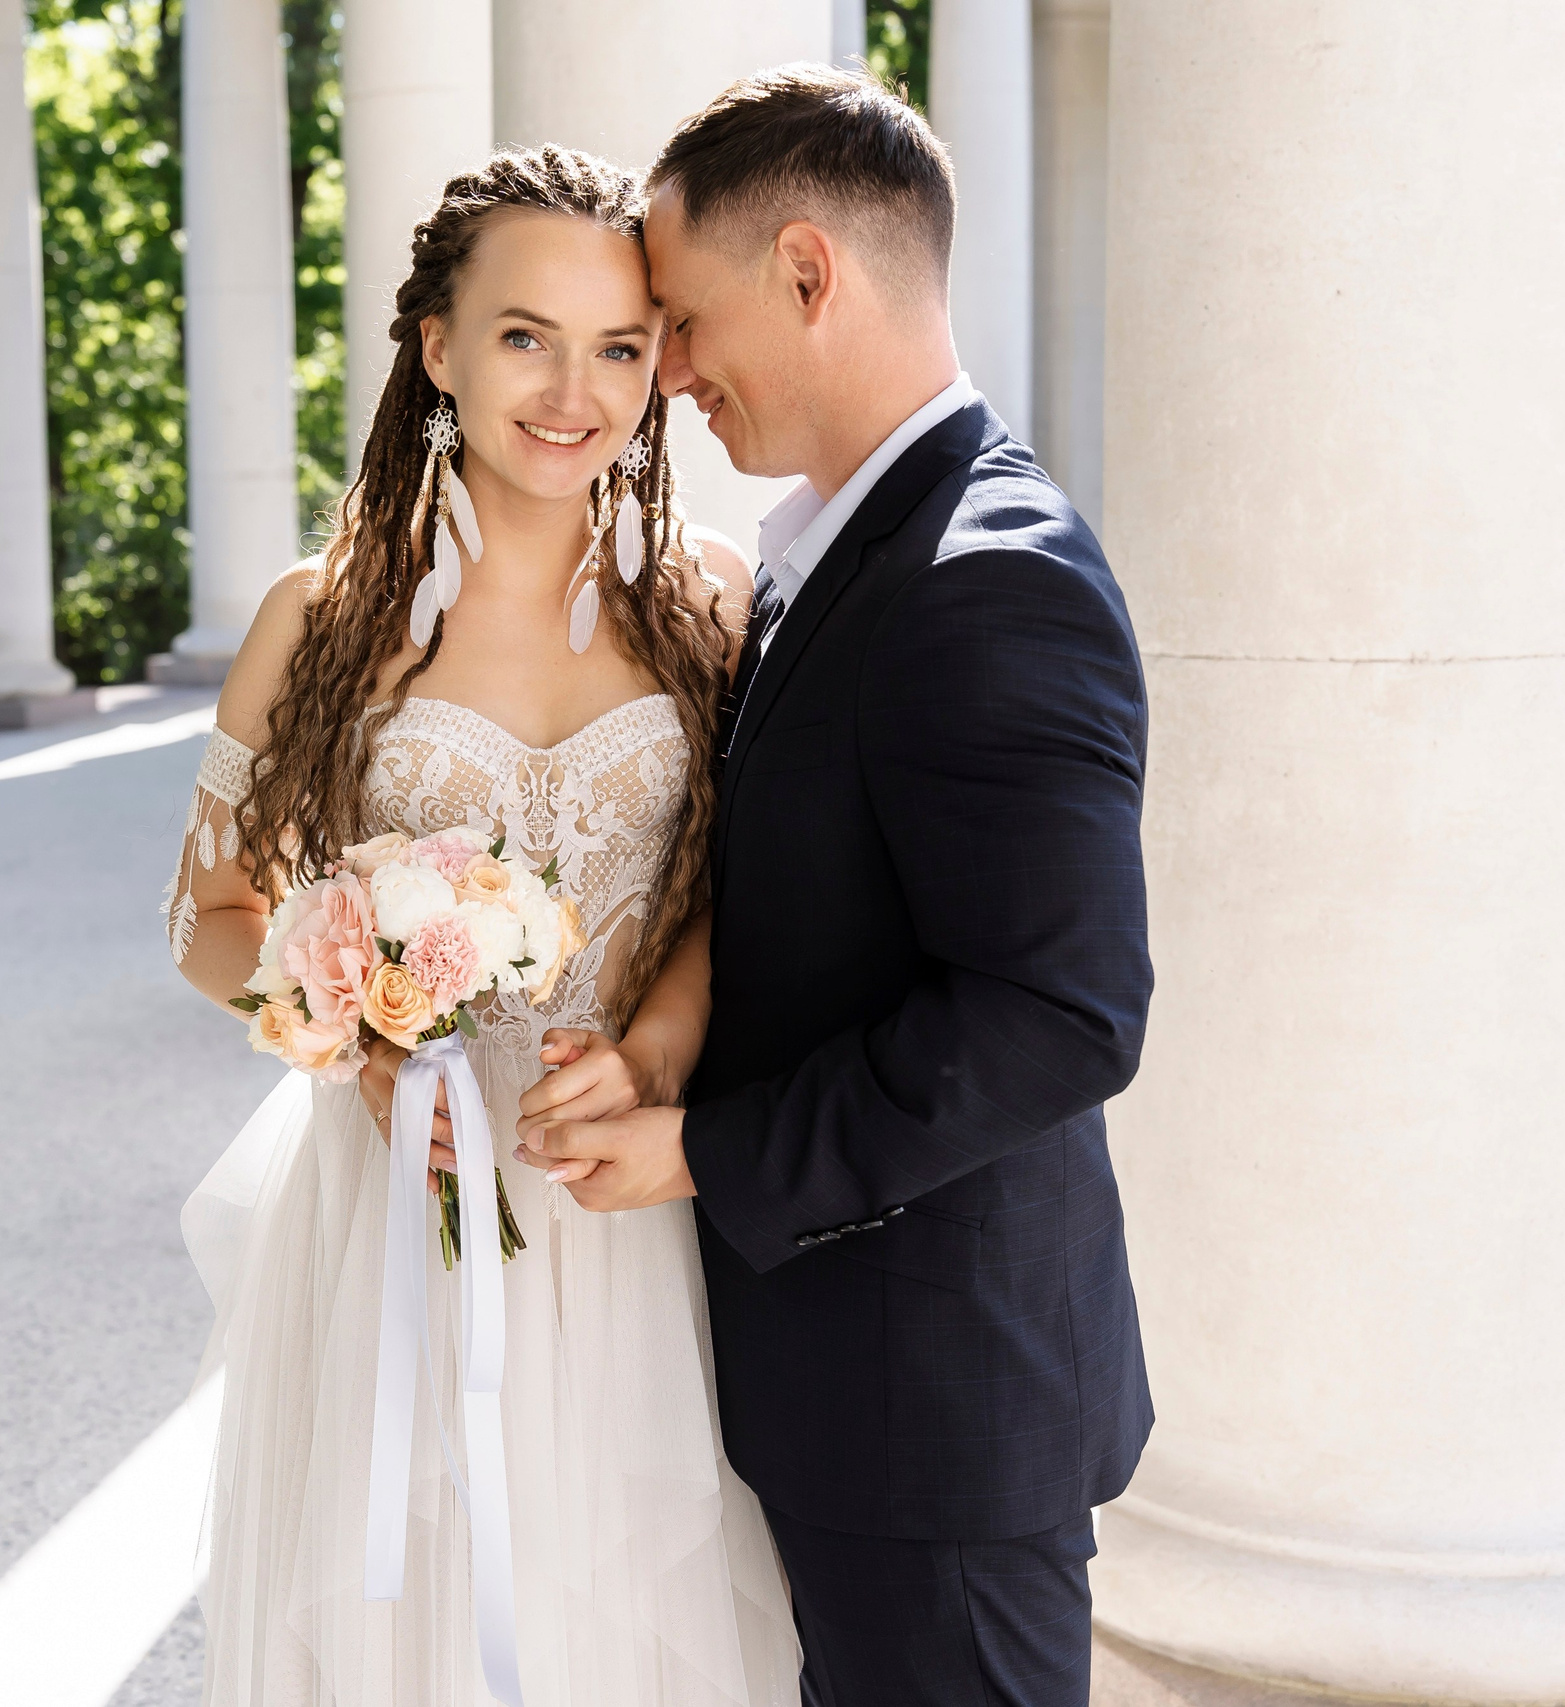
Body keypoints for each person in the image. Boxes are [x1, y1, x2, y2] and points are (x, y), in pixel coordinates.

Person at [517, 65, 1154, 1706]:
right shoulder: (842, 549)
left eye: (676, 316)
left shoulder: (986, 578)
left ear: (808, 271)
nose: (662, 374)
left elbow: (1057, 1017)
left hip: (938, 1412)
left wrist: (705, 1154)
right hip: (857, 1395)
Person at [165, 147, 799, 1706]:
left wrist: (653, 1045)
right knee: (414, 1619)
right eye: (526, 336)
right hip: (401, 1197)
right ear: (439, 348)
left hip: (628, 1187)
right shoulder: (324, 614)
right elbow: (210, 916)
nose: (573, 390)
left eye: (621, 347)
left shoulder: (707, 598)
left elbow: (735, 893)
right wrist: (351, 1033)